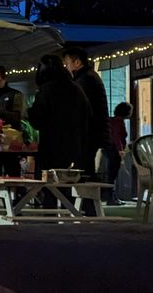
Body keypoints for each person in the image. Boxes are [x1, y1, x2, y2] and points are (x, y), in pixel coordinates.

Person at [27, 54, 92, 181]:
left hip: (51, 146)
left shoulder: (46, 90)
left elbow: (37, 121)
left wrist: (29, 111)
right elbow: (88, 116)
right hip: (75, 145)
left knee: (50, 185)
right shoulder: (76, 89)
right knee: (69, 185)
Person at [62, 45, 111, 180]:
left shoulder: (85, 80)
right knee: (85, 167)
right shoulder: (89, 77)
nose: (66, 67)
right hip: (93, 133)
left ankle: (86, 200)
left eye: (67, 64)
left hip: (89, 134)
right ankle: (86, 199)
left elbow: (81, 109)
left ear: (77, 63)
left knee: (84, 169)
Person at [104, 101, 132, 205]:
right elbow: (116, 136)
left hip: (111, 149)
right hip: (114, 150)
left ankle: (112, 197)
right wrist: (120, 150)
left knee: (112, 174)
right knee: (112, 175)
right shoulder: (118, 121)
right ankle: (111, 198)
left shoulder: (113, 120)